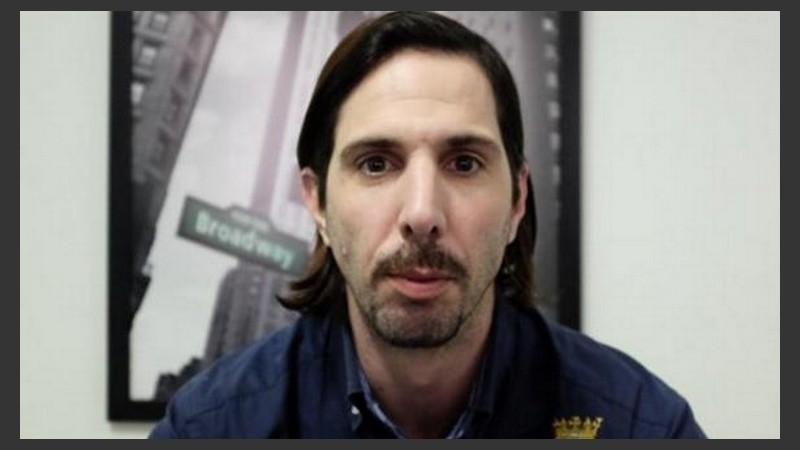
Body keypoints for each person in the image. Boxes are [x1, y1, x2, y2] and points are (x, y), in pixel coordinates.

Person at [150, 11, 706, 439]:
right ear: (317, 203)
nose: (421, 214)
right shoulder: (209, 428)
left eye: (464, 163)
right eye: (376, 164)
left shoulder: (644, 425)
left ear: (517, 200)